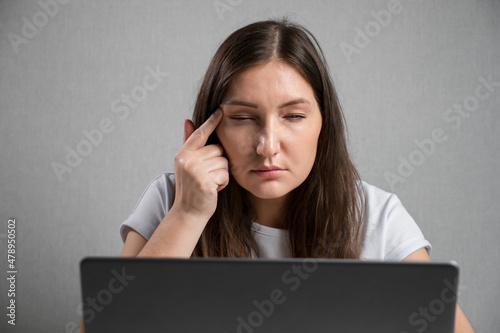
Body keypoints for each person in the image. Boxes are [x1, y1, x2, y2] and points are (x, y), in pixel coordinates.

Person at [80, 18, 474, 332]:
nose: (267, 145)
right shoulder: (170, 199)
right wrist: (187, 214)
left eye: (294, 116)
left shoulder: (377, 215)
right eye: (242, 118)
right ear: (205, 130)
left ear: (325, 126)